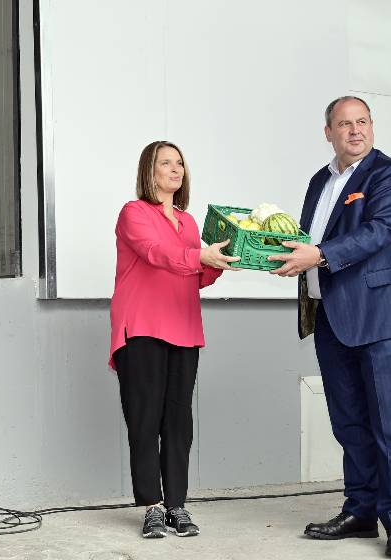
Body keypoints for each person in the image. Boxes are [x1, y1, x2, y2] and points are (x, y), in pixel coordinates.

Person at [269, 96, 391, 556]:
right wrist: (277, 253)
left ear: (372, 128)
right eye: (344, 124)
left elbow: (381, 230)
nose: (354, 130)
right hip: (328, 318)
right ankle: (361, 511)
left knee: (387, 425)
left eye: (362, 122)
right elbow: (305, 238)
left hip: (377, 319)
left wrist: (318, 255)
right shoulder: (321, 180)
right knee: (348, 422)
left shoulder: (384, 174)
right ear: (329, 132)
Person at [109, 140, 239, 539]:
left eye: (180, 163)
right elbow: (155, 253)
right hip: (142, 327)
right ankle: (151, 505)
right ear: (149, 170)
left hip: (184, 328)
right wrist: (199, 257)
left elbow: (195, 275)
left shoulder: (189, 221)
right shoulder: (134, 213)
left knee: (179, 422)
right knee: (145, 420)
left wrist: (220, 260)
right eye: (166, 162)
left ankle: (177, 505)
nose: (175, 169)